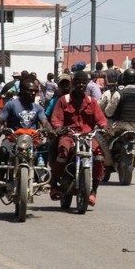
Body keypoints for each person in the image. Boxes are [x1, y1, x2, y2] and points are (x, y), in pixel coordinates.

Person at [49, 71, 108, 205]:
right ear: (73, 84)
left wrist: (104, 127)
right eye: (78, 83)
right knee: (63, 151)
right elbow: (56, 119)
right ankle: (53, 185)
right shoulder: (64, 100)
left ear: (87, 85)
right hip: (69, 135)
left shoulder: (91, 102)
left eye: (83, 83)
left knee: (99, 155)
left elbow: (100, 119)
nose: (81, 85)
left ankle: (93, 191)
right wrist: (59, 128)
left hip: (87, 136)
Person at [0, 79, 52, 197]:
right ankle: (0, 182)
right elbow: (0, 120)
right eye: (30, 91)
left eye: (34, 91)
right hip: (13, 138)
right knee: (4, 150)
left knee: (45, 149)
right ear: (22, 90)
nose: (33, 93)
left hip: (33, 138)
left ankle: (39, 177)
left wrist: (49, 130)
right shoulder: (11, 104)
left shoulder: (38, 107)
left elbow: (44, 122)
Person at [100, 68, 135, 170]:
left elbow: (109, 112)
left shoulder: (118, 94)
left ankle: (108, 159)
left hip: (119, 126)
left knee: (100, 135)